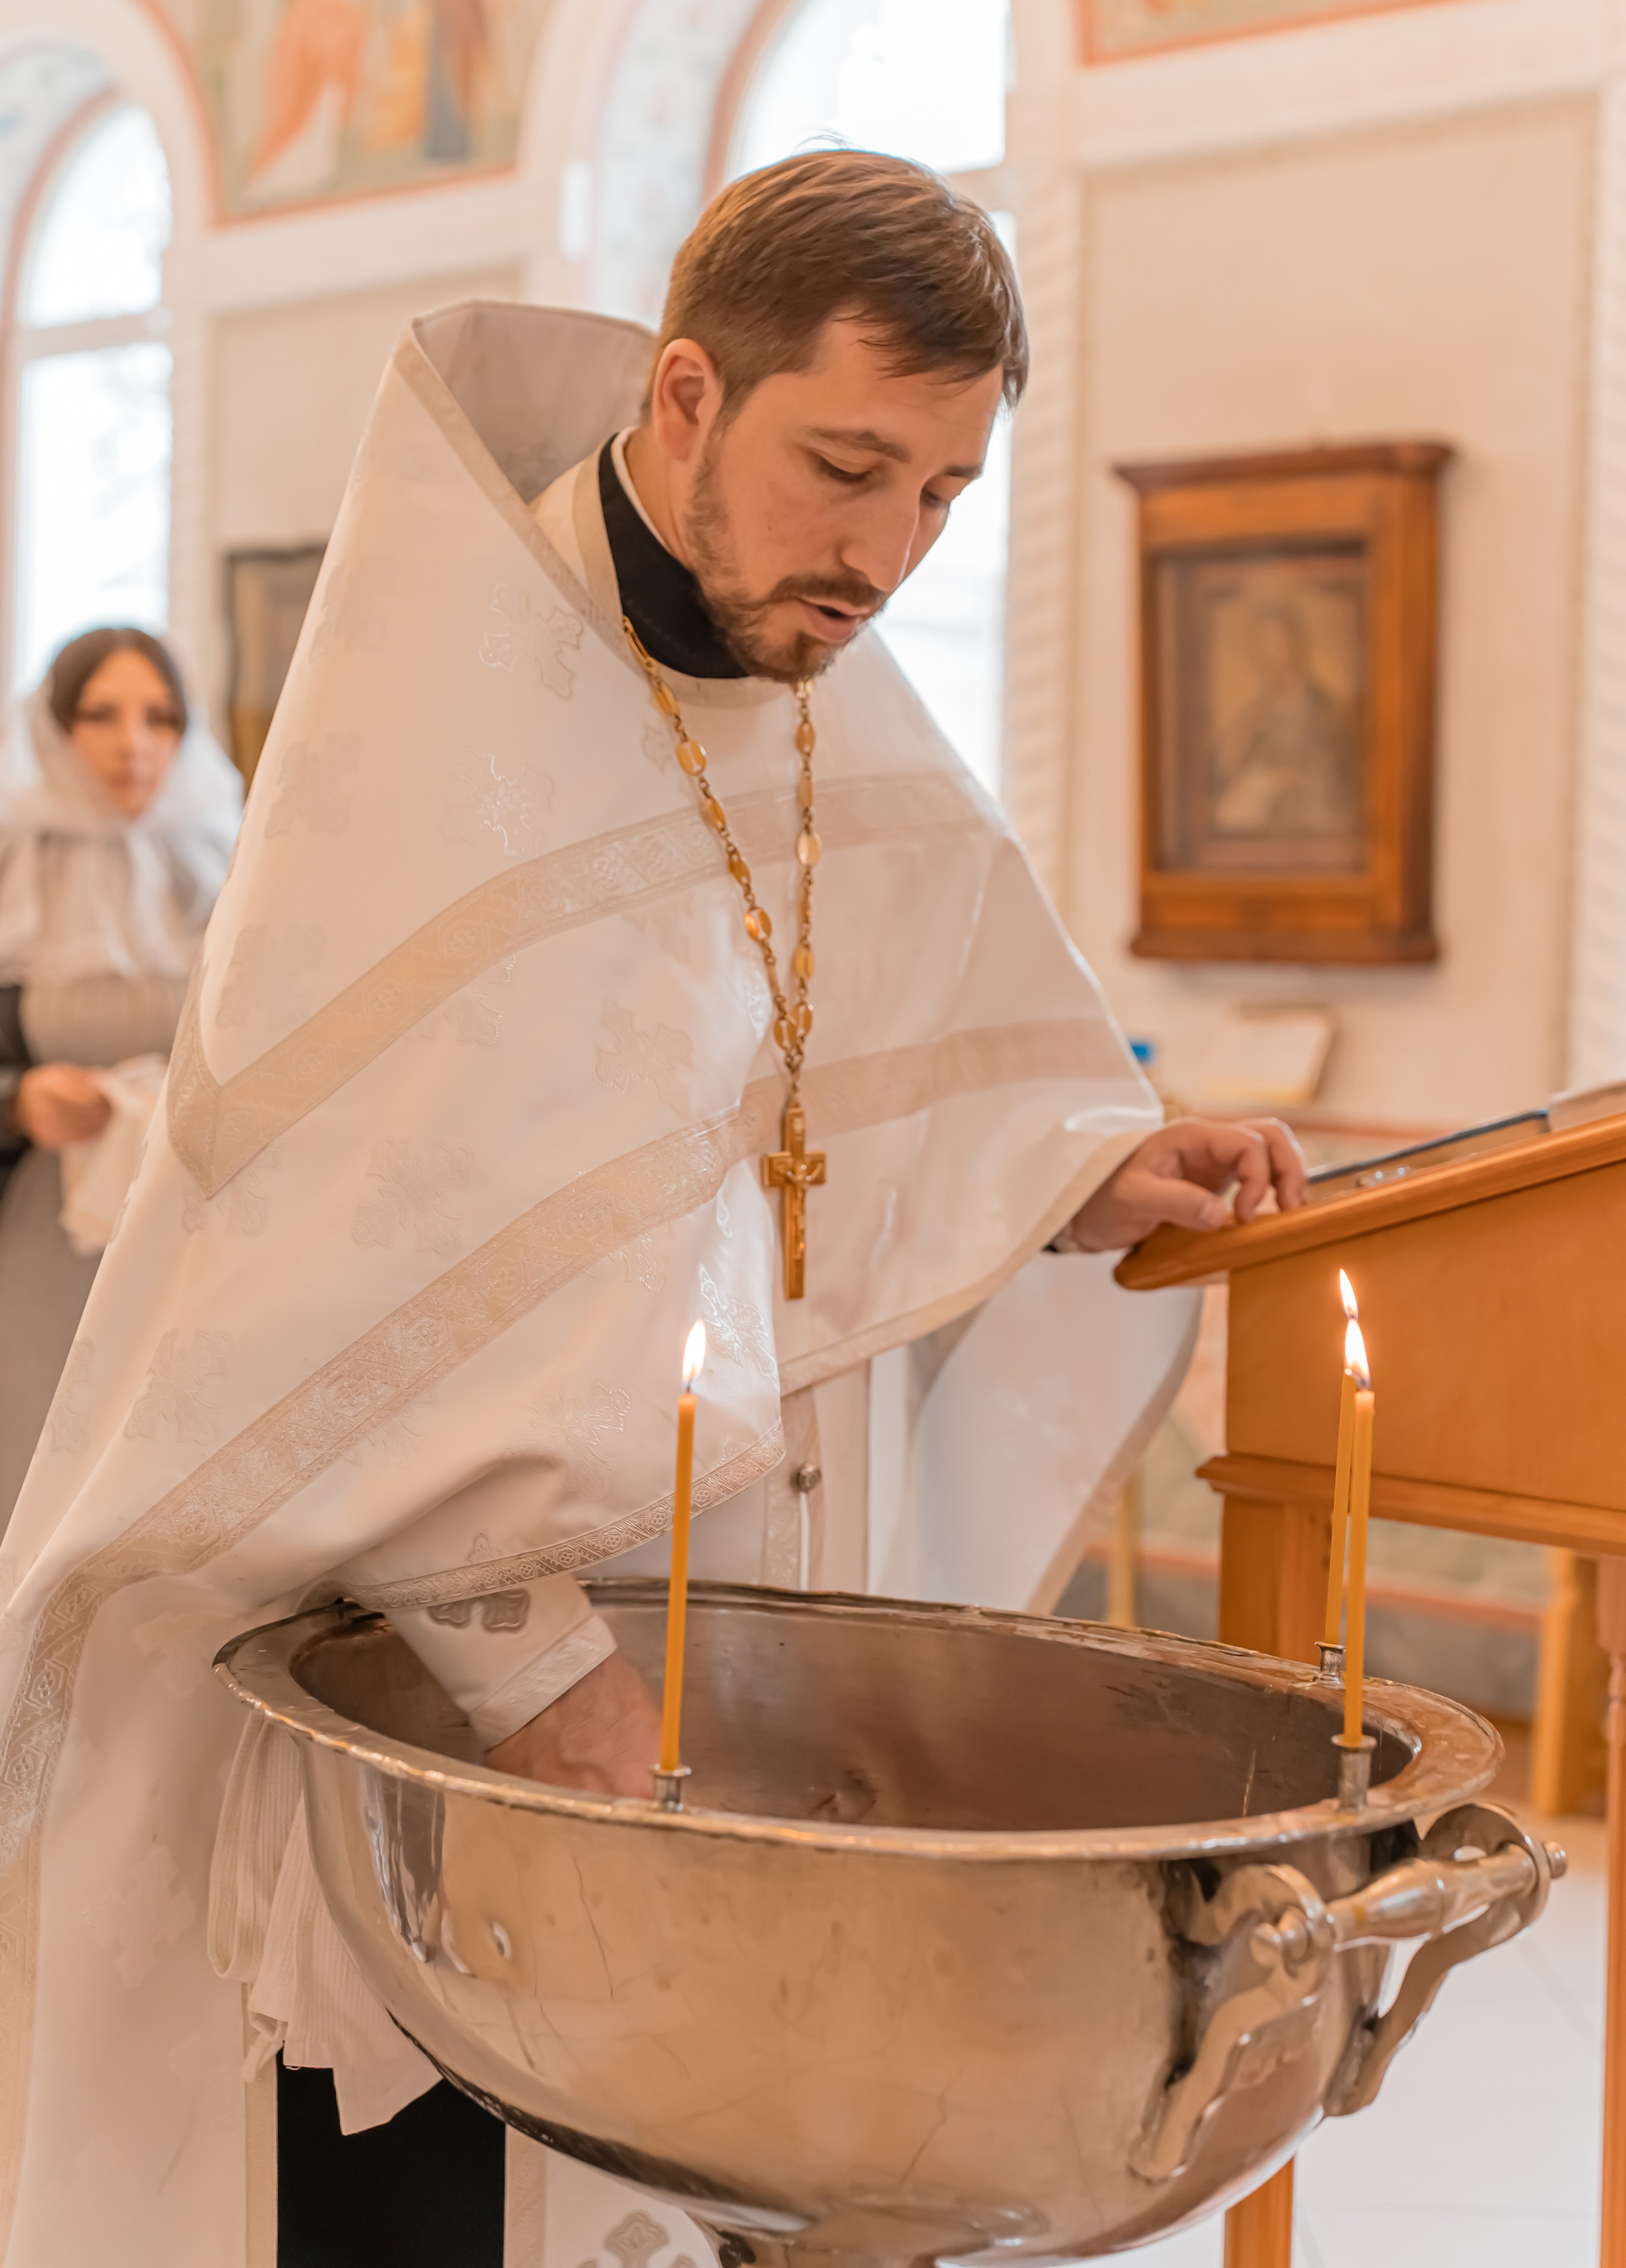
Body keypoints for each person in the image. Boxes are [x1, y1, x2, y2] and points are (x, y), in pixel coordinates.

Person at [0, 154, 1303, 2267]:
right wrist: (542, 1694)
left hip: (726, 1643)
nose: (884, 554)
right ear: (687, 398)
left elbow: (829, 1085)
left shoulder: (806, 674)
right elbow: (352, 1327)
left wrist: (1075, 1172)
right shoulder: (449, 741)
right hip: (432, 1706)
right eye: (848, 468)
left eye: (946, 499)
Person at [0, 626, 239, 1523]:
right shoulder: (9, 864)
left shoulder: (234, 866)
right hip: (35, 1238)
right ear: (54, 729)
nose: (132, 742)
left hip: (194, 1222)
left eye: (160, 717)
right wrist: (17, 1101)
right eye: (101, 715)